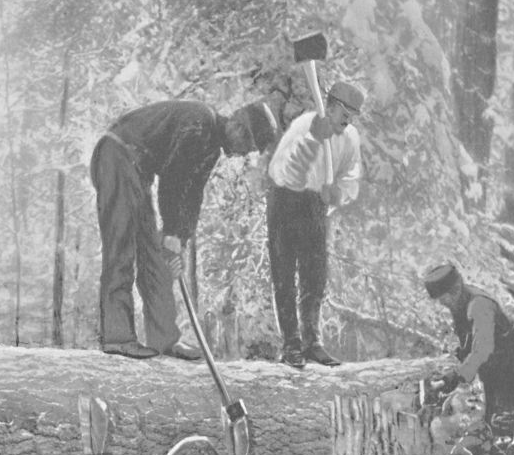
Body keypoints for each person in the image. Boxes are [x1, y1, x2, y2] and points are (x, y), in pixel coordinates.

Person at [91, 99, 279, 359]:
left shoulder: (211, 149)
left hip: (137, 170)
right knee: (121, 247)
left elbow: (192, 196)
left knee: (154, 256)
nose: (243, 153)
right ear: (238, 127)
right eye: (246, 145)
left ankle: (164, 339)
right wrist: (171, 232)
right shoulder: (199, 124)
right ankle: (117, 337)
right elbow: (173, 179)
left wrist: (180, 238)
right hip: (117, 155)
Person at [266, 80, 365, 369]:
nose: (348, 120)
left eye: (352, 116)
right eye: (344, 113)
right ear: (330, 107)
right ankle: (291, 344)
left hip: (315, 207)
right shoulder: (304, 125)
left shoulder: (350, 138)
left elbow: (351, 177)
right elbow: (284, 172)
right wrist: (311, 141)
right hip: (285, 200)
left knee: (315, 274)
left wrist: (337, 194)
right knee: (284, 273)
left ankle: (312, 342)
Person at [422, 262, 514, 442]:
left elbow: (483, 348)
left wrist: (457, 376)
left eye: (443, 299)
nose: (442, 304)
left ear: (454, 290)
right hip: (493, 366)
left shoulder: (479, 305)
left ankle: (506, 454)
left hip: (512, 367)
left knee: (502, 420)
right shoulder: (460, 303)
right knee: (490, 418)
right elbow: (469, 342)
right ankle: (490, 450)